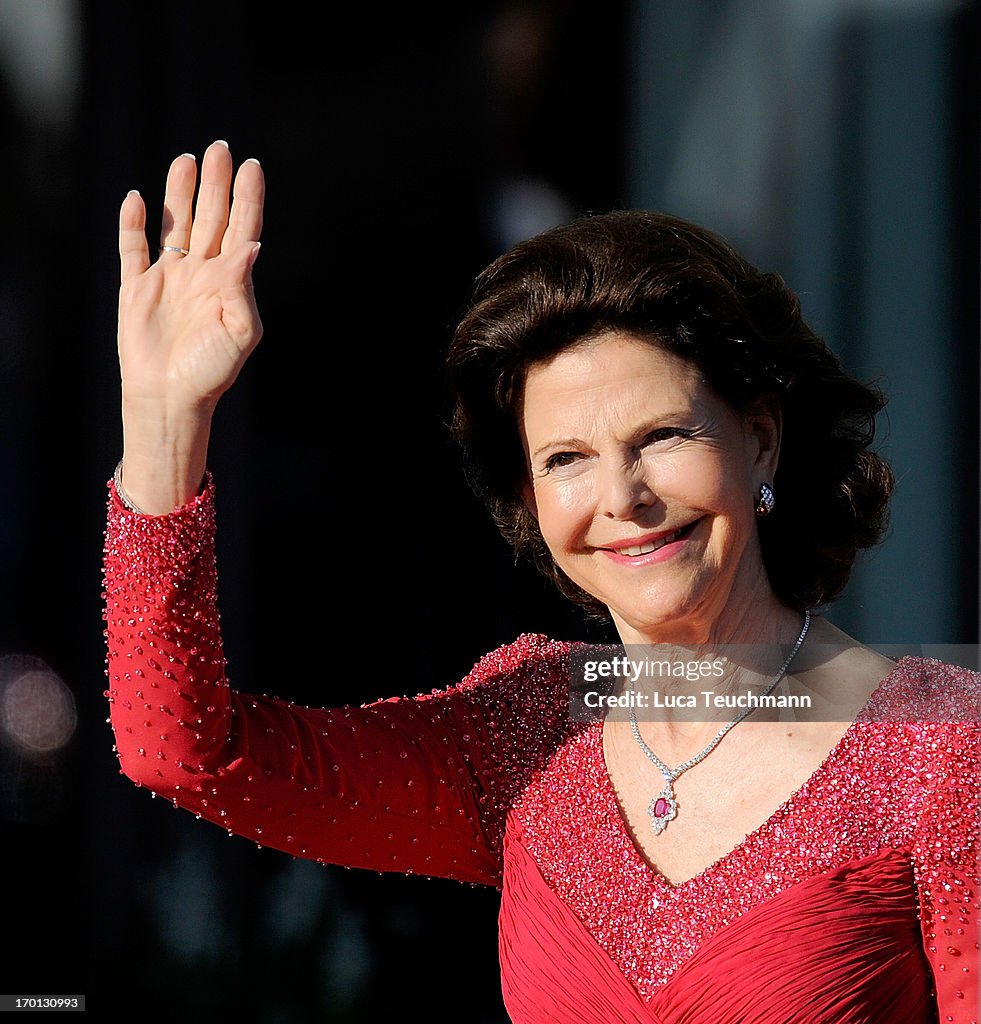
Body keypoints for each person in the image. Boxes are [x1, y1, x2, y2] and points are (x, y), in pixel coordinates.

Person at [104, 140, 979, 1023]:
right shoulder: (524, 729)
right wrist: (163, 423)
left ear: (759, 438)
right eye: (567, 459)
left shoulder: (944, 750)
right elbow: (186, 755)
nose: (623, 499)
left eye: (662, 437)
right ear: (528, 495)